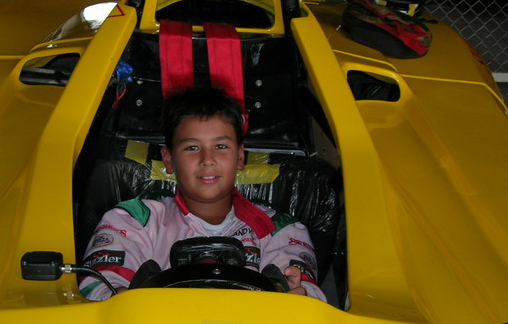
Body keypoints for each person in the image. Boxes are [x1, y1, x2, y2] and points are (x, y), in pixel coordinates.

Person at [79, 86, 326, 302]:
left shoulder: (281, 229)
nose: (207, 160)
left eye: (221, 146)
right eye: (192, 147)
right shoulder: (132, 219)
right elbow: (95, 286)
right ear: (169, 159)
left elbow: (310, 298)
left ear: (240, 157)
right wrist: (119, 297)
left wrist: (300, 293)